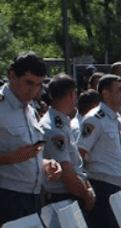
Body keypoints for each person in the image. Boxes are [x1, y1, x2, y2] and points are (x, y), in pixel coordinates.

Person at [0, 52, 50, 227]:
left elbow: (27, 154)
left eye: (38, 85)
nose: (33, 90)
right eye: (28, 82)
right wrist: (9, 159)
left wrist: (46, 164)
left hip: (33, 196)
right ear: (12, 75)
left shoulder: (29, 109)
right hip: (4, 198)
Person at [79, 74, 121, 228]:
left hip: (116, 185)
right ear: (105, 93)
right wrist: (85, 187)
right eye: (119, 89)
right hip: (101, 186)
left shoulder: (114, 118)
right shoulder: (95, 119)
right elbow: (80, 155)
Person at [39, 73, 95, 211]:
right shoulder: (53, 128)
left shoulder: (62, 122)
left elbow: (75, 164)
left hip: (73, 194)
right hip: (63, 198)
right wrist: (87, 195)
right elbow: (67, 173)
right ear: (72, 95)